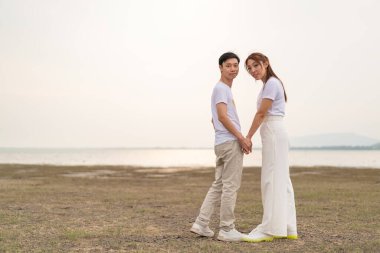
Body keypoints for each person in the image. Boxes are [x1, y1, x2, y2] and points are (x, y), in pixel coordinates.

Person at [190, 52, 251, 242]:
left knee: (219, 185)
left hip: (221, 142)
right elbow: (223, 116)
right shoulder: (222, 88)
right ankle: (226, 229)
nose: (233, 69)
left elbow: (214, 118)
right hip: (230, 143)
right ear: (220, 68)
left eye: (235, 65)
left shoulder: (222, 90)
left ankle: (201, 223)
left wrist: (222, 132)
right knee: (230, 186)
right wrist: (241, 137)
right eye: (228, 66)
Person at [242, 52, 297, 242]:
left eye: (255, 65)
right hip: (275, 131)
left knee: (271, 179)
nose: (253, 71)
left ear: (265, 63)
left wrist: (247, 137)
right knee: (281, 178)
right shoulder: (270, 84)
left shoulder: (272, 83)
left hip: (273, 131)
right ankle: (289, 227)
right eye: (249, 68)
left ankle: (269, 229)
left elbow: (261, 114)